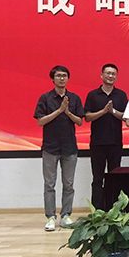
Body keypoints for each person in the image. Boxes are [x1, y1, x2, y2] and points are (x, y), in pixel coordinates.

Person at [34, 65, 84, 231]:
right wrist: (59, 111)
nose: (62, 78)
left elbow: (80, 121)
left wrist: (67, 112)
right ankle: (50, 217)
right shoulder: (45, 98)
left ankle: (66, 215)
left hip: (70, 147)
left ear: (68, 78)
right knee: (49, 184)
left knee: (68, 184)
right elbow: (40, 121)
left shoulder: (74, 98)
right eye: (58, 76)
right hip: (50, 147)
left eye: (64, 76)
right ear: (53, 78)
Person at [84, 63, 128, 209]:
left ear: (116, 76)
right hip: (97, 143)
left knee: (115, 177)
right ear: (102, 75)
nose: (110, 76)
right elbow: (87, 117)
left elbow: (126, 117)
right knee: (97, 178)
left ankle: (114, 209)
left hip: (115, 143)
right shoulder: (93, 95)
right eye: (108, 73)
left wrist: (113, 111)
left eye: (113, 74)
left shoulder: (121, 95)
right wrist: (103, 112)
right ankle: (97, 210)